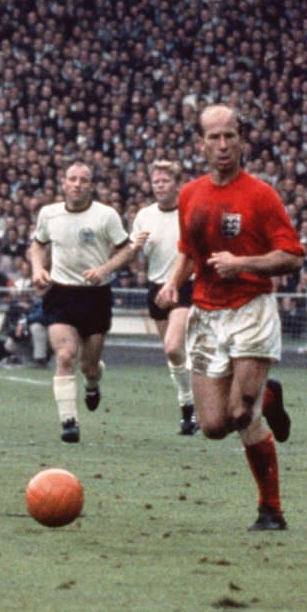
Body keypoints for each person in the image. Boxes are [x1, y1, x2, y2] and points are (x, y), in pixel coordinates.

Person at [157, 104, 305, 531]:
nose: (223, 145)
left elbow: (293, 257)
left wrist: (244, 264)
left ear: (241, 140)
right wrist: (172, 284)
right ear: (201, 143)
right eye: (214, 137)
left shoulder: (261, 195)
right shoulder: (190, 194)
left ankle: (271, 510)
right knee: (213, 426)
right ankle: (270, 398)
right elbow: (188, 251)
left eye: (230, 137)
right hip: (206, 313)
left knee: (242, 414)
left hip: (251, 311)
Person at [27, 162, 139, 443]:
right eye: (72, 179)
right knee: (65, 355)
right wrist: (37, 269)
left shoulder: (106, 216)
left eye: (84, 180)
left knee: (88, 365)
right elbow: (38, 244)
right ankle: (69, 422)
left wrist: (105, 269)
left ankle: (92, 382)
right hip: (61, 293)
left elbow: (128, 250)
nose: (77, 184)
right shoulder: (49, 214)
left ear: (91, 186)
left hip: (95, 295)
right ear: (63, 184)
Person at [130, 159, 199, 435]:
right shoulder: (145, 215)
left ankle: (191, 407)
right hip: (156, 287)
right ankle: (189, 409)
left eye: (165, 181)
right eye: (155, 181)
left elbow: (195, 257)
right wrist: (135, 249)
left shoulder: (189, 212)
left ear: (176, 184)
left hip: (185, 286)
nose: (159, 186)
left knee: (174, 346)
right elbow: (135, 261)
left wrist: (175, 282)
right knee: (174, 355)